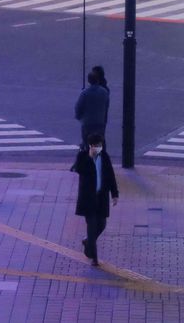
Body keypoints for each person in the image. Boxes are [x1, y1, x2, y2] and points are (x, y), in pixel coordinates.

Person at [71, 133, 119, 267]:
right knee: (91, 227)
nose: (98, 148)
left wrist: (114, 194)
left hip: (101, 197)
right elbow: (79, 169)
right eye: (96, 145)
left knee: (102, 224)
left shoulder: (104, 157)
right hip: (88, 199)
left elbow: (110, 175)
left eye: (100, 145)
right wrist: (89, 158)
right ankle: (94, 258)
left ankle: (88, 241)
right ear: (90, 145)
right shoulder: (82, 156)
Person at [74, 69, 110, 146]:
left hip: (88, 123)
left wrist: (78, 116)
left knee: (87, 143)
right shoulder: (104, 92)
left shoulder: (85, 93)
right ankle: (97, 158)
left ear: (89, 81)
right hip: (100, 122)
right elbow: (107, 105)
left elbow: (78, 106)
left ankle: (88, 156)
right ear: (97, 80)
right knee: (98, 145)